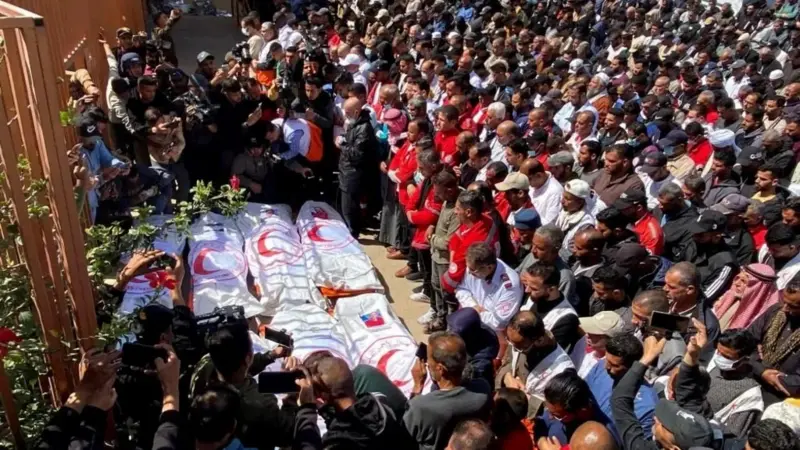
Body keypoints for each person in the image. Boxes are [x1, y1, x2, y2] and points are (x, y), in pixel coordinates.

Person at [610, 336, 722, 450]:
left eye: (664, 424)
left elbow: (620, 401)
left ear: (674, 448)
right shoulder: (698, 432)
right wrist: (691, 357)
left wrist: (645, 360)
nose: (656, 419)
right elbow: (688, 397)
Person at [292, 356, 416, 450]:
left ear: (322, 395)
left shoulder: (338, 440)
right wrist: (323, 408)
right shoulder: (379, 403)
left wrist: (306, 408)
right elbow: (349, 415)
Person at [674, 319, 763, 438]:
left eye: (727, 356)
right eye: (719, 352)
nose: (719, 357)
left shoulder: (750, 395)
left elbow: (732, 435)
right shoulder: (712, 363)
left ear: (745, 359)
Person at [405, 331, 491, 450]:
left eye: (428, 359)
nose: (427, 363)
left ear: (440, 368)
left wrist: (417, 386)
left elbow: (404, 434)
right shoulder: (483, 389)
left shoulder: (421, 407)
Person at [495, 310, 575, 417]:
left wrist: (522, 397)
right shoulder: (518, 340)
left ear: (540, 340)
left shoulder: (562, 371)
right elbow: (507, 362)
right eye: (510, 341)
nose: (513, 347)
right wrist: (507, 377)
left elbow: (556, 411)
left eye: (519, 347)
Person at [585, 334, 659, 440]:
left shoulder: (647, 407)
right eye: (607, 360)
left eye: (615, 365)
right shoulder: (600, 367)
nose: (606, 367)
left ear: (633, 366)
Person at [456, 242, 522, 358]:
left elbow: (498, 322)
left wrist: (475, 313)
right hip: (471, 325)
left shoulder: (510, 286)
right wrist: (473, 307)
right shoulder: (474, 267)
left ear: (489, 267)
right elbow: (461, 289)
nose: (469, 273)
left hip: (492, 338)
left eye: (473, 271)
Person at [747, 273, 800, 402]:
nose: (785, 308)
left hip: (778, 395)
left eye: (793, 306)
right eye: (784, 301)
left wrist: (774, 378)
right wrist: (762, 371)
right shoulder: (776, 310)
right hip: (750, 376)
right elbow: (746, 341)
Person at [534, 370, 620, 447]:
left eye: (557, 416)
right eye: (547, 409)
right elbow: (541, 424)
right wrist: (542, 443)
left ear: (582, 411)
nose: (549, 417)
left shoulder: (604, 437)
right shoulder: (557, 404)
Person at [338, 97, 379, 237]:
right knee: (347, 207)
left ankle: (353, 233)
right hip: (346, 171)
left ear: (356, 112)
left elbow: (357, 154)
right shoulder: (354, 123)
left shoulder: (364, 128)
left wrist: (342, 145)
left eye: (348, 112)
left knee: (349, 208)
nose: (345, 115)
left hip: (353, 174)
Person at [520, 262, 581, 353]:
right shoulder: (534, 297)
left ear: (551, 289)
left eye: (534, 288)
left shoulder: (566, 318)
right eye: (526, 285)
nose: (527, 290)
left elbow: (549, 352)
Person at [663, 262, 721, 357]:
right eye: (665, 283)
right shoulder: (660, 301)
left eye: (671, 287)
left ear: (690, 289)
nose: (664, 289)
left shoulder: (708, 326)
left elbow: (702, 359)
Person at [516, 225, 578, 307]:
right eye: (533, 244)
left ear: (555, 249)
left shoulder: (564, 278)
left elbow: (558, 307)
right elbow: (515, 274)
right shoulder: (532, 256)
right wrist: (518, 279)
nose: (533, 250)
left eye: (540, 248)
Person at [687, 209, 740, 303]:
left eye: (700, 235)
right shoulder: (694, 245)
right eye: (694, 233)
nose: (694, 237)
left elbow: (707, 295)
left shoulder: (726, 263)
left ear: (717, 237)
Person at [714, 264, 781, 331]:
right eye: (738, 278)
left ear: (759, 289)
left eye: (743, 281)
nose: (737, 283)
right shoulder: (731, 296)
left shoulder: (763, 318)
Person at [446, 308, 500, 389]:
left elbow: (467, 379)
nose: (448, 332)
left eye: (452, 331)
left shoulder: (482, 357)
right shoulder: (473, 327)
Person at [572, 310, 626, 378]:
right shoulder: (583, 344)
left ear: (609, 339)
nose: (587, 334)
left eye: (594, 332)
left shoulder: (608, 369)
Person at [657, 182, 699, 263]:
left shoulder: (691, 221)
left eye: (664, 204)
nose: (659, 206)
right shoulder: (660, 209)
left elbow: (683, 253)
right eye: (659, 202)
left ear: (678, 201)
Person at [555, 180, 597, 262]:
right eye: (563, 197)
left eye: (567, 199)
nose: (562, 201)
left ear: (580, 202)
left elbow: (572, 252)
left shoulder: (586, 225)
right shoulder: (566, 211)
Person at [711, 193, 757, 266]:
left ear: (739, 218)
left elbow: (739, 269)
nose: (719, 216)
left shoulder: (745, 244)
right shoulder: (713, 227)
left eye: (726, 216)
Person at [614, 190, 664, 256]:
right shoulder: (629, 218)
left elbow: (650, 259)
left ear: (639, 208)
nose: (622, 211)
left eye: (625, 208)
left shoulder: (651, 233)